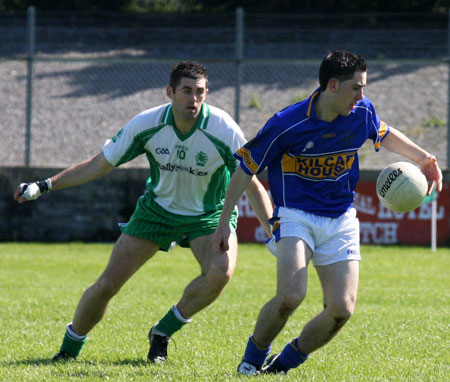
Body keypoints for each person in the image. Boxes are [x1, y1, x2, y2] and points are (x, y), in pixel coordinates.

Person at [14, 61, 273, 363]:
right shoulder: (147, 123)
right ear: (170, 92)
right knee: (107, 285)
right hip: (157, 212)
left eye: (200, 92)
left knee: (220, 274)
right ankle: (68, 351)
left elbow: (251, 183)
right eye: (186, 91)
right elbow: (99, 164)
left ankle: (162, 332)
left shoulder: (223, 127)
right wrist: (45, 185)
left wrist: (273, 233)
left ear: (207, 93)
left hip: (208, 215)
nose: (193, 99)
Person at [212, 50, 443, 375]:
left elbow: (383, 134)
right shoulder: (288, 123)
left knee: (341, 310)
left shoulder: (361, 112)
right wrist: (224, 223)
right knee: (291, 296)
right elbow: (244, 169)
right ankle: (250, 363)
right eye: (356, 87)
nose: (362, 95)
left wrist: (424, 159)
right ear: (332, 86)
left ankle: (280, 367)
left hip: (341, 219)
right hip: (295, 215)